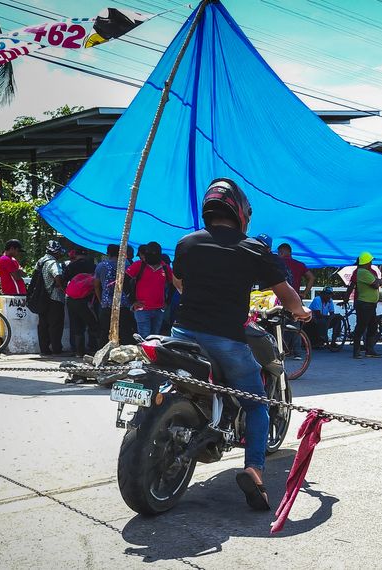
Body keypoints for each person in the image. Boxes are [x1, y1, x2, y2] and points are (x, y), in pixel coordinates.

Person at [170, 178, 311, 511]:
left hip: (181, 334)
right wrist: (301, 311)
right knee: (257, 404)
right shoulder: (252, 248)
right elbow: (285, 293)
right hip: (225, 340)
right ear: (240, 211)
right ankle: (254, 471)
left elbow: (178, 282)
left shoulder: (186, 243)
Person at [127, 241, 173, 339]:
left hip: (159, 309)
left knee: (155, 338)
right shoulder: (139, 265)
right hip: (142, 309)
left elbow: (173, 284)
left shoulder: (165, 268)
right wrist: (132, 301)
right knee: (144, 338)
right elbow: (124, 281)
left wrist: (168, 301)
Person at [94, 244, 136, 346]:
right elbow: (132, 283)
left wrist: (101, 300)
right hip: (123, 303)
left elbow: (96, 285)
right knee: (125, 330)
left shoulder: (101, 266)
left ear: (108, 253)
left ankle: (103, 351)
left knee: (105, 331)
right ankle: (125, 351)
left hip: (106, 303)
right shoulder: (126, 264)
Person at [64, 248, 99, 357]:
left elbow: (64, 280)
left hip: (72, 299)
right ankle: (94, 349)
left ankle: (78, 351)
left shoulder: (71, 266)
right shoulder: (93, 266)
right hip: (88, 299)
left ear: (76, 255)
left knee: (76, 326)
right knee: (93, 325)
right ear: (86, 255)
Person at [348, 251, 382, 359]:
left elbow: (376, 282)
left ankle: (369, 350)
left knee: (372, 327)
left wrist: (378, 281)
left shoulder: (367, 272)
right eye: (370, 261)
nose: (371, 263)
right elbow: (376, 284)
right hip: (365, 304)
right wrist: (379, 281)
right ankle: (357, 351)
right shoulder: (363, 272)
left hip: (370, 304)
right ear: (367, 262)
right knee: (361, 327)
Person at [36, 240, 66, 355]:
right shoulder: (53, 262)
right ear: (56, 252)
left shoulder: (40, 261)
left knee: (43, 324)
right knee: (56, 324)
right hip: (54, 298)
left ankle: (44, 349)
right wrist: (61, 286)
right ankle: (56, 349)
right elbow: (57, 275)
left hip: (41, 297)